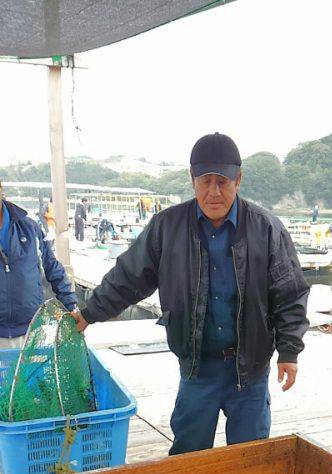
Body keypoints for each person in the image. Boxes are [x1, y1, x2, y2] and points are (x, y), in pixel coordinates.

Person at [72, 133, 310, 455]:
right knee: (188, 456)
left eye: (223, 182)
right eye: (205, 181)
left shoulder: (266, 228)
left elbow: (290, 292)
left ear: (238, 180)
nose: (214, 192)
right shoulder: (167, 227)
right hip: (198, 368)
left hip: (250, 371)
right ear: (192, 179)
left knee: (251, 462)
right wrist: (89, 313)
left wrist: (289, 351)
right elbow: (129, 277)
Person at [0, 182, 77, 349]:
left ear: (1, 189)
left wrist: (71, 306)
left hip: (32, 331)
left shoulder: (30, 227)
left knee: (33, 376)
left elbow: (52, 267)